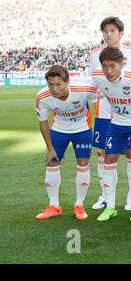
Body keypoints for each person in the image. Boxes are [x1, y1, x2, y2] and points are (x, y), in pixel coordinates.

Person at [89, 16, 131, 212]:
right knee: (102, 153)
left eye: (113, 31)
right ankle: (106, 196)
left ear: (121, 33)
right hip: (104, 110)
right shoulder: (94, 55)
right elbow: (93, 82)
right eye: (105, 31)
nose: (109, 34)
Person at [35, 65, 98, 220]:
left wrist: (100, 134)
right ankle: (54, 206)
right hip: (59, 129)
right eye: (51, 84)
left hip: (82, 129)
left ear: (67, 81)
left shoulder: (83, 89)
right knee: (52, 163)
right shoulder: (42, 97)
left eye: (58, 84)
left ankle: (79, 205)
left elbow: (99, 103)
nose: (54, 89)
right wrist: (50, 148)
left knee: (83, 164)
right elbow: (43, 122)